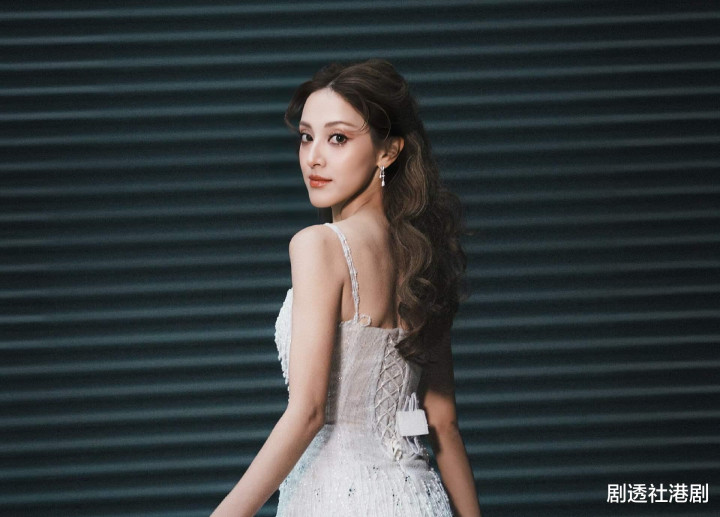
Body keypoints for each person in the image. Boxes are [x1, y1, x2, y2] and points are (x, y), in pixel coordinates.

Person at [210, 59, 481, 517]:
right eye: (306, 136)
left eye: (337, 138)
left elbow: (308, 412)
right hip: (419, 500)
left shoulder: (318, 245)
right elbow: (443, 423)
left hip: (336, 497)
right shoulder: (422, 259)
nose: (314, 157)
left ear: (387, 152)